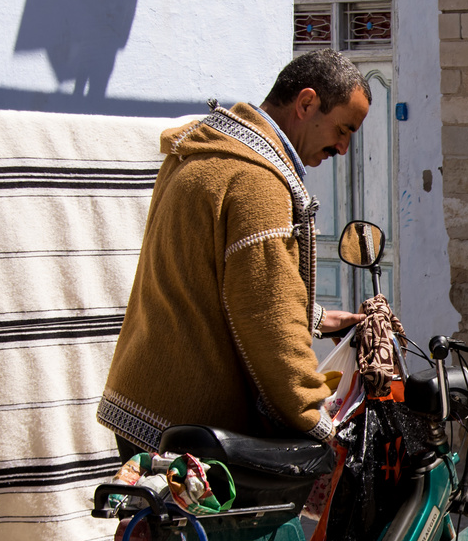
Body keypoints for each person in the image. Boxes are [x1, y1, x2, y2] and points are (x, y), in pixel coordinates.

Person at [98, 51, 371, 456]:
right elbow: (266, 320)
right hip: (189, 429)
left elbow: (212, 275)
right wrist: (315, 417)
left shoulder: (211, 153)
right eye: (343, 129)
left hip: (145, 403)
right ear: (307, 103)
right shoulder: (256, 181)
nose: (344, 148)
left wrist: (313, 317)